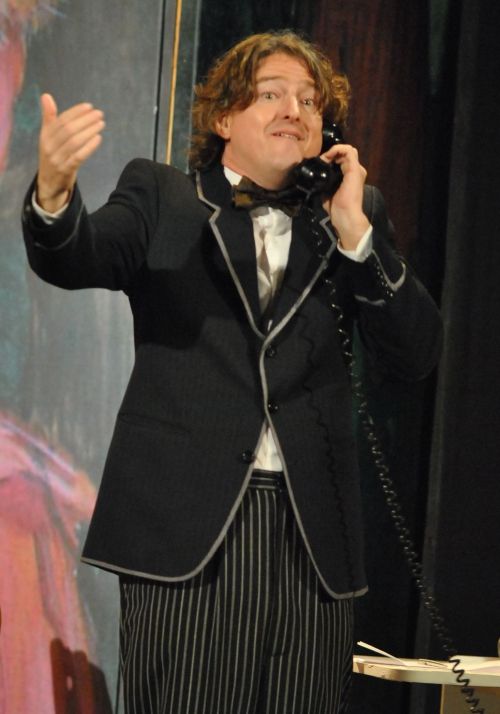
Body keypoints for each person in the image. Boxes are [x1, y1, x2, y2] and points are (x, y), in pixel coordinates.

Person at [22, 30, 442, 714]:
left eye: (309, 101)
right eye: (271, 94)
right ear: (223, 118)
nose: (294, 110)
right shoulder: (163, 194)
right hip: (189, 533)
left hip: (313, 539)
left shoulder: (353, 215)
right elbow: (80, 257)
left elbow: (417, 353)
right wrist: (53, 195)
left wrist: (357, 238)